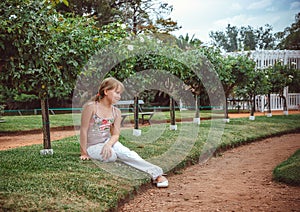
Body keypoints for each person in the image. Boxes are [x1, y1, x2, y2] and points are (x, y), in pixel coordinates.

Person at [79, 77, 168, 188]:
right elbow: (83, 130)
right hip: (92, 146)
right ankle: (117, 155)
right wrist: (84, 153)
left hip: (108, 141)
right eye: (116, 93)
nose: (119, 96)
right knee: (111, 156)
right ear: (106, 91)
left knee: (127, 154)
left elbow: (115, 135)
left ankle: (157, 174)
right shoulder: (91, 107)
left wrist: (108, 144)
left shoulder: (116, 112)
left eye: (120, 94)